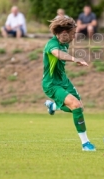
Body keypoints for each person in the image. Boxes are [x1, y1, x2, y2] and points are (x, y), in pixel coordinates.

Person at [42, 17, 96, 151]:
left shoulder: (65, 43)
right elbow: (58, 54)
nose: (74, 37)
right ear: (64, 32)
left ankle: (53, 106)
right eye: (72, 34)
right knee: (75, 105)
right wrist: (74, 58)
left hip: (63, 81)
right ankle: (86, 144)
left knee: (79, 108)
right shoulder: (51, 44)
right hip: (52, 84)